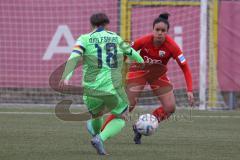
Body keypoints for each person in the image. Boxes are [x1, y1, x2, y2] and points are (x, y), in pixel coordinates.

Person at [101, 13, 194, 144]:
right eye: (157, 30)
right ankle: (101, 134)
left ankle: (140, 127)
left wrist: (189, 89)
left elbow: (185, 68)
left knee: (170, 107)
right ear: (152, 30)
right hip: (139, 72)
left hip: (158, 75)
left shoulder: (172, 46)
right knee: (127, 106)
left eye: (163, 31)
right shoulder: (144, 41)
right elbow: (125, 52)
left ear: (167, 32)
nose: (160, 33)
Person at [59, 13, 144, 155]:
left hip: (91, 90)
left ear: (91, 25)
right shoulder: (116, 38)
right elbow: (132, 53)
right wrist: (142, 62)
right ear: (107, 25)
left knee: (96, 115)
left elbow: (74, 57)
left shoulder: (84, 39)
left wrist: (66, 76)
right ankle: (100, 138)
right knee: (122, 116)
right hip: (112, 89)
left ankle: (96, 135)